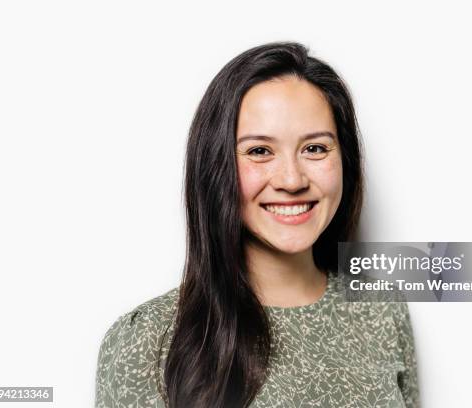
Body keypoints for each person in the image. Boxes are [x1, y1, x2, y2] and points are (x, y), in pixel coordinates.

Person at [95, 41, 420, 408]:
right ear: (216, 166)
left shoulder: (382, 310)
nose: (292, 179)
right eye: (259, 151)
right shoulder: (148, 340)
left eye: (315, 148)